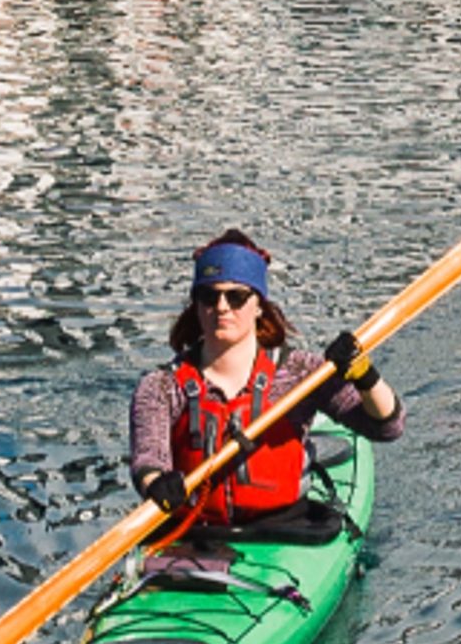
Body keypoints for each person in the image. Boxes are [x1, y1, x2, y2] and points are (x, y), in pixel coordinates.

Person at [129, 232, 399, 547]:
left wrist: (366, 377)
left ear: (258, 305)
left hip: (286, 531)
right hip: (194, 533)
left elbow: (387, 427)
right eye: (208, 296)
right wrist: (157, 484)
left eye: (236, 296)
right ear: (196, 305)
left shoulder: (299, 373)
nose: (221, 306)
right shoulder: (161, 386)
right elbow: (148, 459)